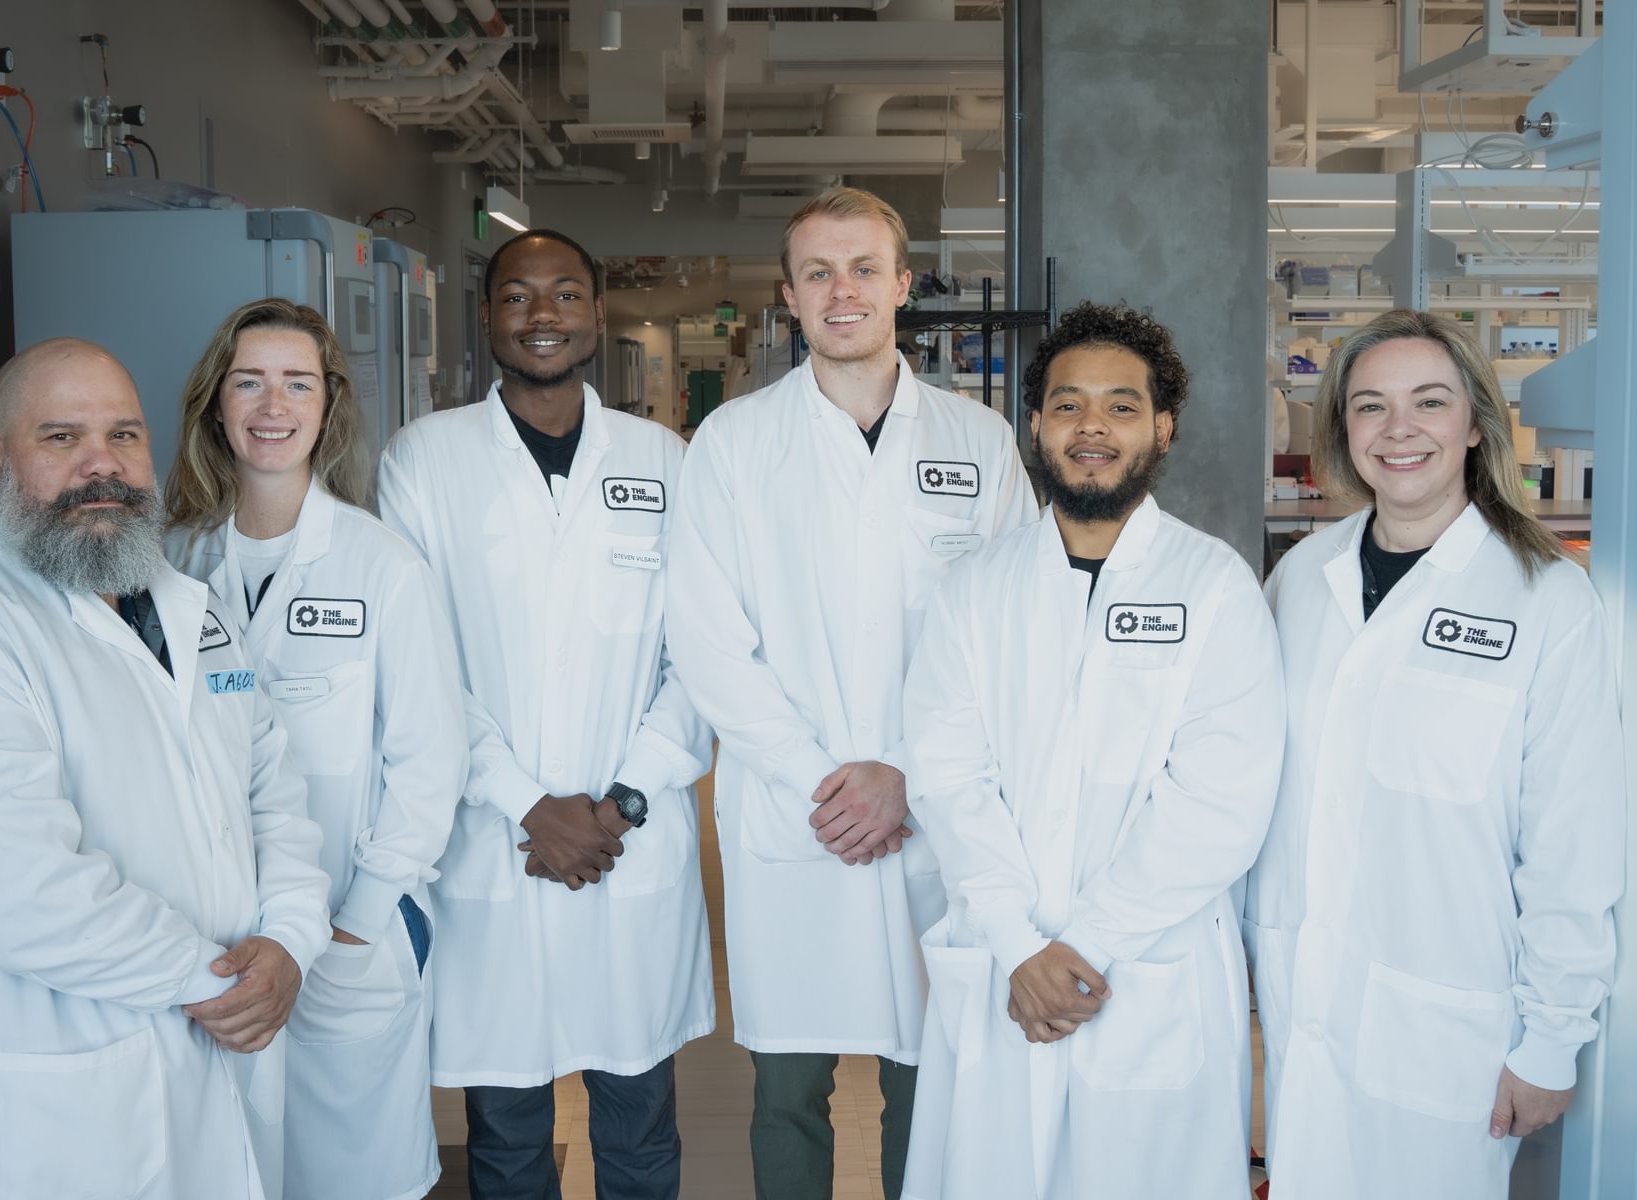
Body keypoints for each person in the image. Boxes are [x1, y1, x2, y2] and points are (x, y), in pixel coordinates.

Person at [0, 338, 330, 1200]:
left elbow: (271, 788)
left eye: (125, 436)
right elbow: (15, 895)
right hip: (51, 1088)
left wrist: (292, 937)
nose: (101, 465)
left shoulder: (189, 606)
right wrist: (215, 983)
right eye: (61, 438)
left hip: (221, 1036)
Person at [665, 187, 1039, 1200]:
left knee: (941, 1074)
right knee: (787, 1087)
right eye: (820, 272)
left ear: (903, 287)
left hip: (937, 810)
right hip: (801, 818)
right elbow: (706, 644)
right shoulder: (734, 446)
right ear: (789, 295)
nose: (843, 291)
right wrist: (824, 779)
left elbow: (1013, 634)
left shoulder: (979, 443)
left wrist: (909, 777)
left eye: (864, 268)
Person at [894, 302, 1284, 1198]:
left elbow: (1222, 798)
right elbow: (950, 778)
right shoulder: (974, 590)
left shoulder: (1214, 587)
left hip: (1147, 965)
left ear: (1163, 428)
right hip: (1005, 954)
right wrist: (1018, 943)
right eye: (1068, 406)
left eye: (1121, 406)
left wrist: (1090, 945)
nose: (1092, 428)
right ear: (1035, 426)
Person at [1247, 309, 1624, 1198]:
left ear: (1476, 425)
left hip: (1450, 1020)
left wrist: (1552, 1039)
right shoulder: (1302, 579)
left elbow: (1574, 843)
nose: (1399, 429)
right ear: (1343, 430)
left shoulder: (1545, 600)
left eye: (1429, 401)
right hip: (1305, 1002)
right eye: (1371, 406)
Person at [377, 229, 714, 1200]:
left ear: (596, 316)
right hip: (499, 839)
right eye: (519, 297)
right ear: (487, 318)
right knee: (506, 1132)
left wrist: (620, 803)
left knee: (640, 1123)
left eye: (565, 295)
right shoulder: (424, 460)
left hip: (628, 841)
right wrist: (532, 806)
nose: (542, 316)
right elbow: (420, 665)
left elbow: (703, 657)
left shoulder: (664, 461)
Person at [164, 300, 469, 1200]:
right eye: (248, 381)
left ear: (329, 407)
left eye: (297, 383)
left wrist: (357, 922)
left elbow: (430, 762)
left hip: (349, 936)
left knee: (358, 1172)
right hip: (214, 938)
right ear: (216, 404)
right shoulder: (172, 561)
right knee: (235, 1166)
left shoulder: (384, 568)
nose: (272, 404)